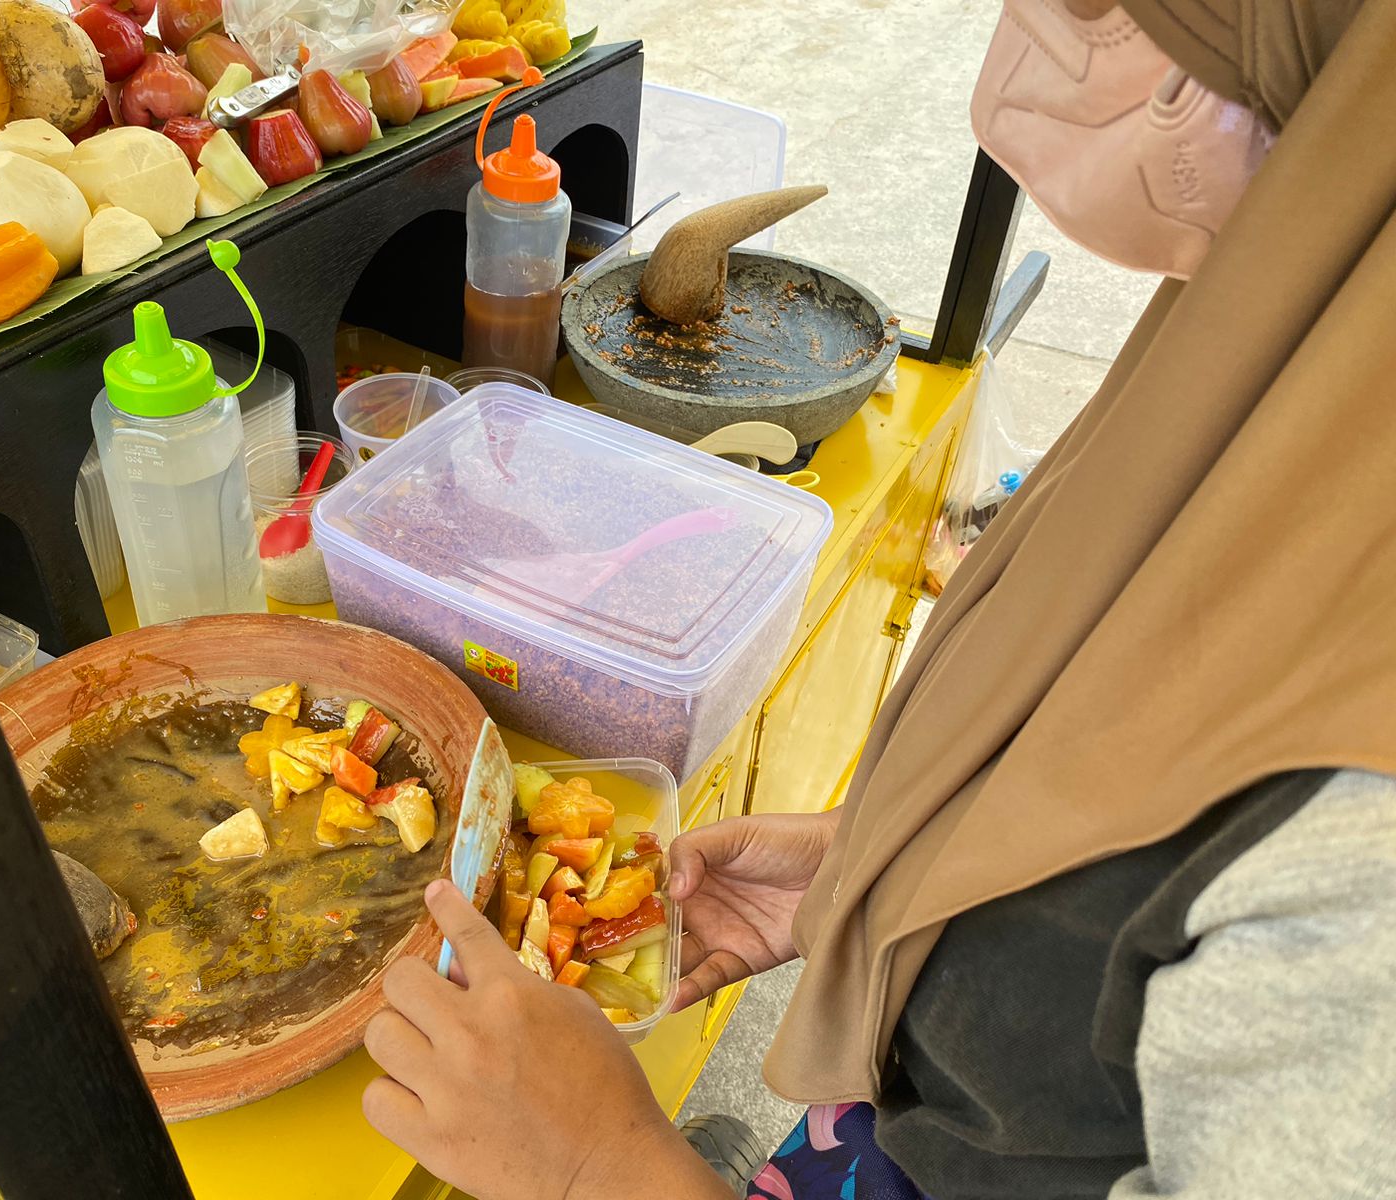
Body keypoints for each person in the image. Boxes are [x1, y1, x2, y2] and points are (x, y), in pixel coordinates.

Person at [357, 0, 1396, 1196]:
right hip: (891, 1131)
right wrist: (900, 865)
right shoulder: (1302, 346)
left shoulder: (1358, 881)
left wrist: (603, 1163)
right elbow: (1150, 799)